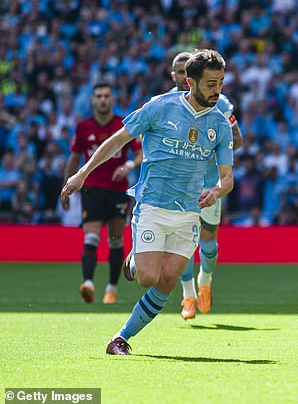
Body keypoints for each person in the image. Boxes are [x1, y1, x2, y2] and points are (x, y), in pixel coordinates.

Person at [60, 49, 234, 355]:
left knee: (167, 282)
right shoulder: (160, 107)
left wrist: (217, 191)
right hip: (152, 205)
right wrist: (83, 173)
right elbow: (118, 139)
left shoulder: (219, 124)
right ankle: (134, 260)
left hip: (189, 213)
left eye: (220, 82)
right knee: (148, 277)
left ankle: (120, 338)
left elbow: (227, 177)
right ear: (190, 83)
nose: (217, 89)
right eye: (210, 83)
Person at [170, 51, 244, 320]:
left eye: (184, 71)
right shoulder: (167, 104)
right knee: (184, 242)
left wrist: (228, 133)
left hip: (210, 183)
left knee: (208, 242)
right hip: (179, 185)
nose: (181, 76)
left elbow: (238, 142)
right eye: (178, 72)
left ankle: (206, 281)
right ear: (176, 76)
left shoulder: (221, 104)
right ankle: (188, 295)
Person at [61, 82, 143, 304]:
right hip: (92, 189)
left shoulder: (122, 125)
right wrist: (67, 186)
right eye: (99, 96)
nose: (103, 99)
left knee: (116, 241)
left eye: (107, 95)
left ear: (112, 100)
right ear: (93, 101)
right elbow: (74, 158)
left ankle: (111, 289)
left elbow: (139, 154)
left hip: (117, 191)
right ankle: (88, 283)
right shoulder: (83, 127)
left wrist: (128, 165)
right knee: (92, 237)